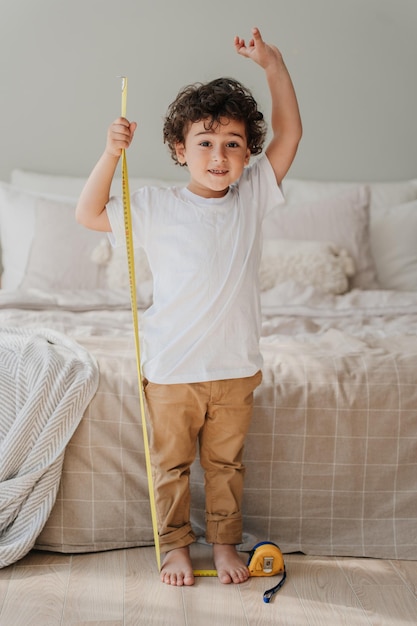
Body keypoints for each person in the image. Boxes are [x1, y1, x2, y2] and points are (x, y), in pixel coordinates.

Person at [75, 26, 302, 587]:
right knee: (171, 467)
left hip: (235, 369)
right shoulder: (155, 205)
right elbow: (88, 212)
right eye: (204, 142)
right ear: (180, 150)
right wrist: (110, 154)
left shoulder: (252, 197)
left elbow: (291, 131)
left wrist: (273, 65)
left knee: (225, 467)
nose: (219, 155)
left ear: (249, 152)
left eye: (232, 142)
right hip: (173, 370)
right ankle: (175, 547)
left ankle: (224, 545)